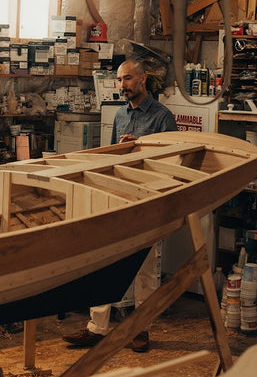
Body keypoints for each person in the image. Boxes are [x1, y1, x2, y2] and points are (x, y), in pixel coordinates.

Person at [63, 57, 177, 353]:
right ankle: (96, 328)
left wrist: (139, 146)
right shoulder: (120, 115)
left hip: (150, 199)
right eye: (120, 79)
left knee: (146, 268)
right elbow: (114, 156)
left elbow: (172, 161)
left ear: (142, 79)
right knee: (106, 260)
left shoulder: (163, 117)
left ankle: (140, 329)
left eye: (127, 78)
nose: (122, 85)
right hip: (120, 196)